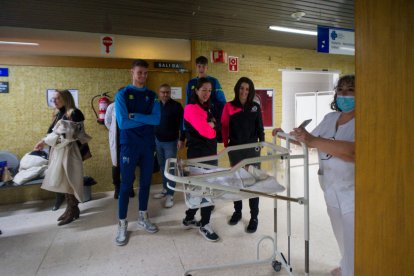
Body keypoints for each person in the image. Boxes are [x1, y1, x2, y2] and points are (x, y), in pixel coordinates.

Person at [273, 75, 355, 276]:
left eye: (350, 90)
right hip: (330, 188)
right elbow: (309, 141)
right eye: (340, 90)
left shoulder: (366, 121)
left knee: (355, 239)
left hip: (353, 192)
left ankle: (352, 271)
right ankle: (346, 266)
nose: (344, 94)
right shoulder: (330, 118)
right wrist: (288, 135)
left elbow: (351, 152)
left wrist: (312, 139)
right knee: (341, 237)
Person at [114, 59, 161, 246]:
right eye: (139, 72)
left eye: (145, 73)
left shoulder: (152, 95)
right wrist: (146, 119)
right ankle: (122, 223)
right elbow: (122, 123)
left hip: (147, 145)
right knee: (126, 186)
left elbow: (157, 120)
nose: (142, 76)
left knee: (146, 183)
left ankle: (143, 217)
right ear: (132, 72)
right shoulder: (123, 94)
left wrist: (136, 116)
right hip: (129, 145)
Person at [34, 89, 89, 226]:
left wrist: (46, 141)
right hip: (60, 151)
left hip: (70, 151)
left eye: (57, 98)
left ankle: (73, 209)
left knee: (70, 179)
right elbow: (52, 133)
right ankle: (71, 208)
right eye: (53, 98)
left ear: (66, 98)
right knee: (64, 180)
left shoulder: (74, 113)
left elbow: (69, 135)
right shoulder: (59, 113)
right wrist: (44, 141)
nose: (54, 100)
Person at [221, 77, 265, 233]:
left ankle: (254, 217)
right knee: (236, 182)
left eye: (247, 89)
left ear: (250, 90)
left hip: (253, 150)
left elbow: (260, 127)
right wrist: (227, 146)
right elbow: (224, 127)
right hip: (235, 150)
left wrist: (262, 144)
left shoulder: (255, 107)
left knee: (253, 184)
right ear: (237, 89)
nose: (244, 92)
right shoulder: (229, 106)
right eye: (241, 88)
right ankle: (237, 212)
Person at [182, 78, 220, 242]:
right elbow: (208, 132)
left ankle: (189, 218)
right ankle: (205, 224)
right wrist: (211, 126)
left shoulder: (207, 107)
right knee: (205, 190)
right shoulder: (191, 108)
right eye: (203, 89)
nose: (207, 93)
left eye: (210, 90)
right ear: (196, 90)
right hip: (199, 155)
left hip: (209, 153)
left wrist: (212, 124)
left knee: (201, 189)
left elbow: (213, 127)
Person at [152, 84, 185, 208]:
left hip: (171, 142)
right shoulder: (155, 105)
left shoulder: (176, 106)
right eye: (162, 92)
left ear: (170, 93)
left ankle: (170, 195)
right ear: (159, 93)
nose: (165, 94)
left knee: (170, 168)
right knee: (161, 166)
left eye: (167, 92)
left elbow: (182, 124)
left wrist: (181, 139)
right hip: (157, 141)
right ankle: (165, 189)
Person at [185, 55, 226, 141]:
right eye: (199, 66)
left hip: (210, 117)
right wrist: (183, 130)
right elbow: (187, 103)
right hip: (195, 118)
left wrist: (219, 121)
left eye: (203, 66)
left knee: (209, 140)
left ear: (207, 67)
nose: (201, 69)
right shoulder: (191, 83)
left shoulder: (214, 81)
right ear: (196, 67)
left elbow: (222, 102)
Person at [104, 102, 135, 199]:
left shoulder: (131, 105)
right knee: (116, 165)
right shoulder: (112, 107)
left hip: (128, 139)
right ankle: (117, 187)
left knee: (129, 163)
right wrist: (114, 131)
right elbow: (107, 122)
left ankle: (130, 187)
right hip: (116, 139)